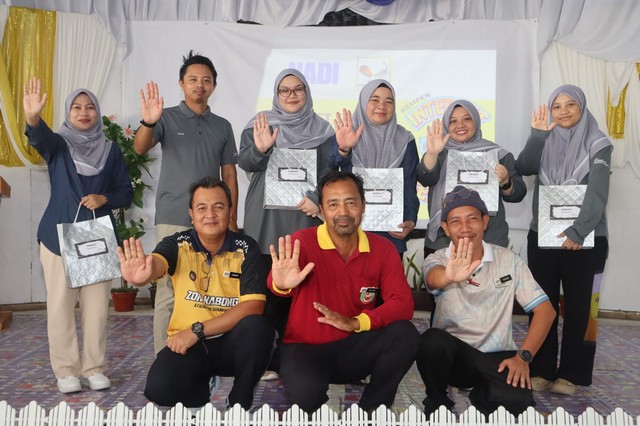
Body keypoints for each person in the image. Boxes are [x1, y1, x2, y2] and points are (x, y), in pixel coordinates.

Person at [268, 171, 420, 413]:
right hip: (305, 347)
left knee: (405, 335)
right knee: (306, 396)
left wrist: (356, 322)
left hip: (355, 347)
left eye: (351, 202)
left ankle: (371, 412)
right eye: (333, 204)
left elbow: (402, 303)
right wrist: (282, 284)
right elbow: (277, 284)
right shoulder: (302, 242)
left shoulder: (383, 249)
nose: (343, 212)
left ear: (363, 205)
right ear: (321, 209)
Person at [117, 177, 273, 410]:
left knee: (258, 328)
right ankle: (200, 392)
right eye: (201, 208)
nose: (210, 214)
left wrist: (196, 330)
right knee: (159, 388)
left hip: (231, 343)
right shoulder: (178, 244)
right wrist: (145, 273)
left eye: (218, 207)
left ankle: (239, 403)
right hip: (190, 345)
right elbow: (158, 262)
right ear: (191, 214)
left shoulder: (246, 247)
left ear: (230, 211)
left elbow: (253, 307)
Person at [23, 78, 133, 393]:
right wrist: (32, 117)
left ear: (97, 112)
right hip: (58, 237)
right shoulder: (59, 144)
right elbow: (39, 138)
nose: (84, 113)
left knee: (96, 309)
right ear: (68, 113)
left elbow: (125, 191)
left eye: (89, 108)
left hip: (97, 239)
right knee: (60, 306)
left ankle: (94, 368)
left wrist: (104, 198)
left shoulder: (110, 150)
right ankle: (66, 371)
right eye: (76, 107)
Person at [133, 50, 240, 354]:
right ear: (181, 83)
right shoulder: (165, 117)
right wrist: (148, 122)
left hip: (211, 220)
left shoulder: (222, 125)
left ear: (214, 85)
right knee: (168, 288)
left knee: (209, 289)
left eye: (206, 80)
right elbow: (140, 148)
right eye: (193, 79)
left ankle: (204, 356)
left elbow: (229, 175)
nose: (199, 85)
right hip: (173, 215)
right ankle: (162, 359)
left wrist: (231, 218)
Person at [416, 186, 555, 417]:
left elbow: (546, 311)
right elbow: (433, 278)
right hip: (455, 357)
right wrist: (449, 276)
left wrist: (523, 357)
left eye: (472, 219)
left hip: (496, 358)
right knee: (431, 341)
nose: (465, 228)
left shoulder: (509, 260)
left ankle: (483, 396)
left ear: (485, 222)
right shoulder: (438, 259)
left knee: (517, 406)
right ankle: (437, 400)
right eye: (456, 221)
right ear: (445, 228)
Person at [238, 68, 336, 380]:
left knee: (302, 296)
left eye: (298, 89)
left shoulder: (323, 131)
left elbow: (330, 173)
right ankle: (265, 360)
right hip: (265, 221)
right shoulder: (259, 125)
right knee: (266, 296)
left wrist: (317, 197)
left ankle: (296, 358)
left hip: (304, 218)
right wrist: (261, 148)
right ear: (276, 94)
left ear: (307, 93)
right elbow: (246, 163)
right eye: (285, 90)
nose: (292, 95)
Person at [516, 85, 612, 395]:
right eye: (556, 106)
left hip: (588, 239)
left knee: (583, 309)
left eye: (571, 104)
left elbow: (598, 191)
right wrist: (536, 136)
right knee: (541, 304)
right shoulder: (544, 139)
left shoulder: (598, 143)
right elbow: (524, 167)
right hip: (543, 237)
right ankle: (541, 369)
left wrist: (578, 231)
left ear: (582, 107)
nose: (564, 111)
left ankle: (573, 375)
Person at [418, 99, 526, 257]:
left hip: (489, 240)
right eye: (453, 121)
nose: (460, 125)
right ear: (446, 125)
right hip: (444, 242)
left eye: (467, 119)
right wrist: (432, 153)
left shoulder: (497, 154)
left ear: (475, 120)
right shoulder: (439, 153)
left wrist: (505, 183)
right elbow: (424, 178)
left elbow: (519, 193)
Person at [332, 79, 419, 255]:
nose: (382, 106)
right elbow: (331, 169)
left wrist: (410, 219)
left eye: (389, 101)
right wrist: (344, 149)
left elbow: (410, 184)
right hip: (351, 230)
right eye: (375, 100)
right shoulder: (347, 134)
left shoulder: (405, 140)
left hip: (391, 233)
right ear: (364, 102)